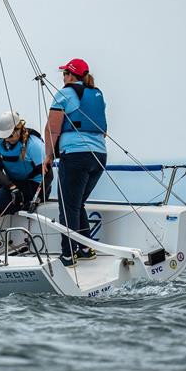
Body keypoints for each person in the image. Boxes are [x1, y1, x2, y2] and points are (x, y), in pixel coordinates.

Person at [43, 58, 107, 268]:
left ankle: (68, 255)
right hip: (99, 157)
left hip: (75, 156)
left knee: (68, 207)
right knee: (77, 203)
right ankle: (86, 249)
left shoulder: (65, 94)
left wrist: (48, 156)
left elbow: (52, 130)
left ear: (70, 76)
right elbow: (103, 130)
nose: (63, 77)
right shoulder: (96, 95)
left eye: (65, 74)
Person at [0, 111, 52, 252]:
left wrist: (37, 199)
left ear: (19, 129)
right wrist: (12, 187)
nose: (7, 139)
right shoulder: (1, 144)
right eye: (4, 136)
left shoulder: (34, 145)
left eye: (10, 135)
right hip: (14, 183)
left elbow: (49, 176)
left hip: (35, 185)